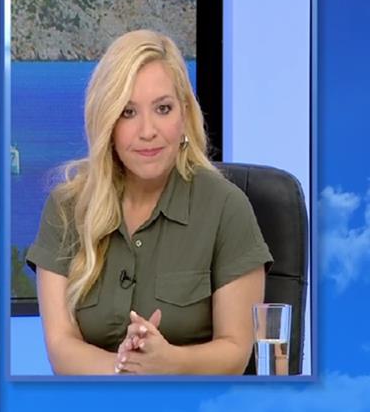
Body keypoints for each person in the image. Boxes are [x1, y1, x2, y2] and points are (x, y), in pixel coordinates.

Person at [26, 29, 273, 375]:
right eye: (128, 112)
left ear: (184, 114)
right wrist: (127, 369)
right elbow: (61, 347)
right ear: (108, 122)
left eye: (163, 108)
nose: (147, 131)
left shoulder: (227, 208)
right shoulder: (66, 209)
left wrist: (168, 362)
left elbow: (235, 352)